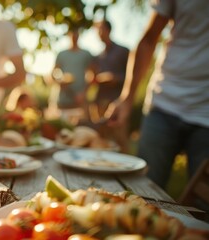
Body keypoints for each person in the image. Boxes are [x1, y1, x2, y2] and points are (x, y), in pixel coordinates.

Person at [105, 0, 209, 189]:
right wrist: (127, 98)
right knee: (144, 189)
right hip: (165, 102)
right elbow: (148, 40)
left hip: (206, 114)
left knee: (203, 204)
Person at [89, 20, 130, 153]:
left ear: (108, 30)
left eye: (101, 30)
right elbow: (92, 79)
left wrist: (115, 78)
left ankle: (125, 171)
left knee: (120, 139)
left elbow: (132, 76)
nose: (99, 34)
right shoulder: (97, 57)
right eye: (97, 31)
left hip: (117, 101)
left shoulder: (123, 51)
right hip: (99, 102)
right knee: (101, 139)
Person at [52, 28, 94, 111]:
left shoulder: (86, 54)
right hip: (63, 100)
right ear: (68, 35)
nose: (74, 36)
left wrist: (83, 93)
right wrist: (60, 81)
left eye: (76, 33)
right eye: (72, 33)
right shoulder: (61, 54)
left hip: (79, 100)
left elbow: (93, 74)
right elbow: (53, 73)